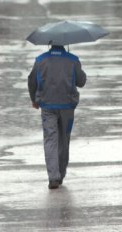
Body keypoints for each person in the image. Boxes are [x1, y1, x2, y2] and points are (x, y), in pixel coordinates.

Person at [28, 45, 87, 189]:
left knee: (50, 139)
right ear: (65, 45)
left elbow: (31, 81)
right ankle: (60, 173)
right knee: (64, 140)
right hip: (67, 107)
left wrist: (34, 100)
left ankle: (53, 177)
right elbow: (82, 81)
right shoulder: (73, 60)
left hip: (47, 106)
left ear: (50, 44)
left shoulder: (40, 60)